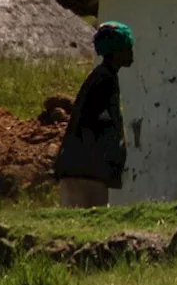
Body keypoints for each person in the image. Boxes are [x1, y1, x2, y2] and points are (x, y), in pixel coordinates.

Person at [53, 21, 133, 208]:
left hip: (83, 169)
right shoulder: (104, 80)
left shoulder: (102, 77)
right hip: (86, 172)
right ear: (117, 51)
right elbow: (92, 124)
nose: (131, 53)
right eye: (128, 48)